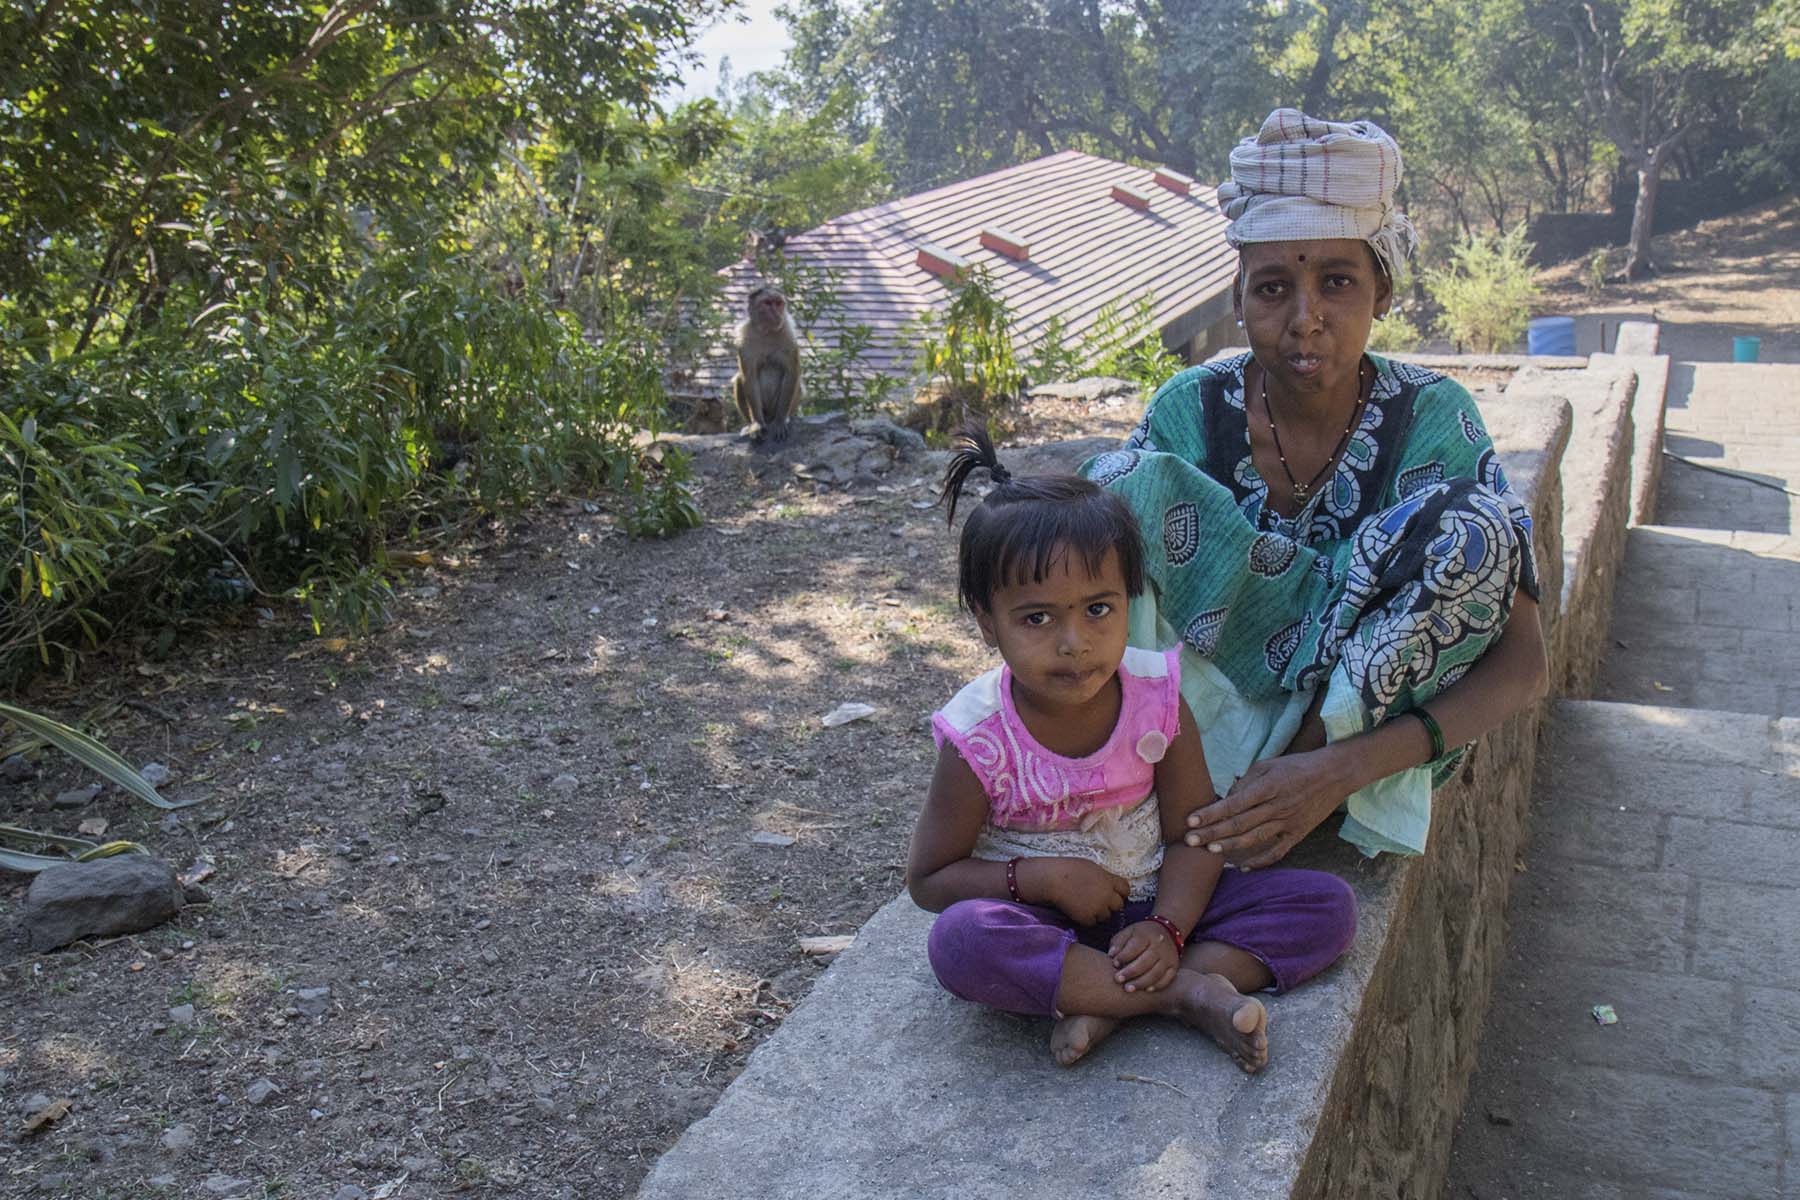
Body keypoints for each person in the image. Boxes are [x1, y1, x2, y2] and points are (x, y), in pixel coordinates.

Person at [1083, 108, 1550, 871]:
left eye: (1337, 282)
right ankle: (1131, 784)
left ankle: (1286, 794)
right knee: (1114, 488)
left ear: (1382, 292)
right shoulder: (1190, 411)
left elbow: (1526, 666)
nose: (1306, 320)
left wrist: (1334, 771)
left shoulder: (1434, 417)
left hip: (1352, 749)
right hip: (1188, 735)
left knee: (1480, 527)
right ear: (1239, 299)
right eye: (1272, 288)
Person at [906, 430, 1356, 1073]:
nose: (1074, 642)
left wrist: (1167, 927)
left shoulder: (1157, 699)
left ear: (1129, 600)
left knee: (1326, 907)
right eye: (1037, 618)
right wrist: (1042, 878)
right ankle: (1185, 995)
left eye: (1098, 609)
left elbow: (1194, 834)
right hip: (1042, 922)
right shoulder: (978, 737)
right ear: (987, 622)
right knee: (960, 941)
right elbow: (930, 880)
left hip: (1159, 904)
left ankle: (1105, 998)